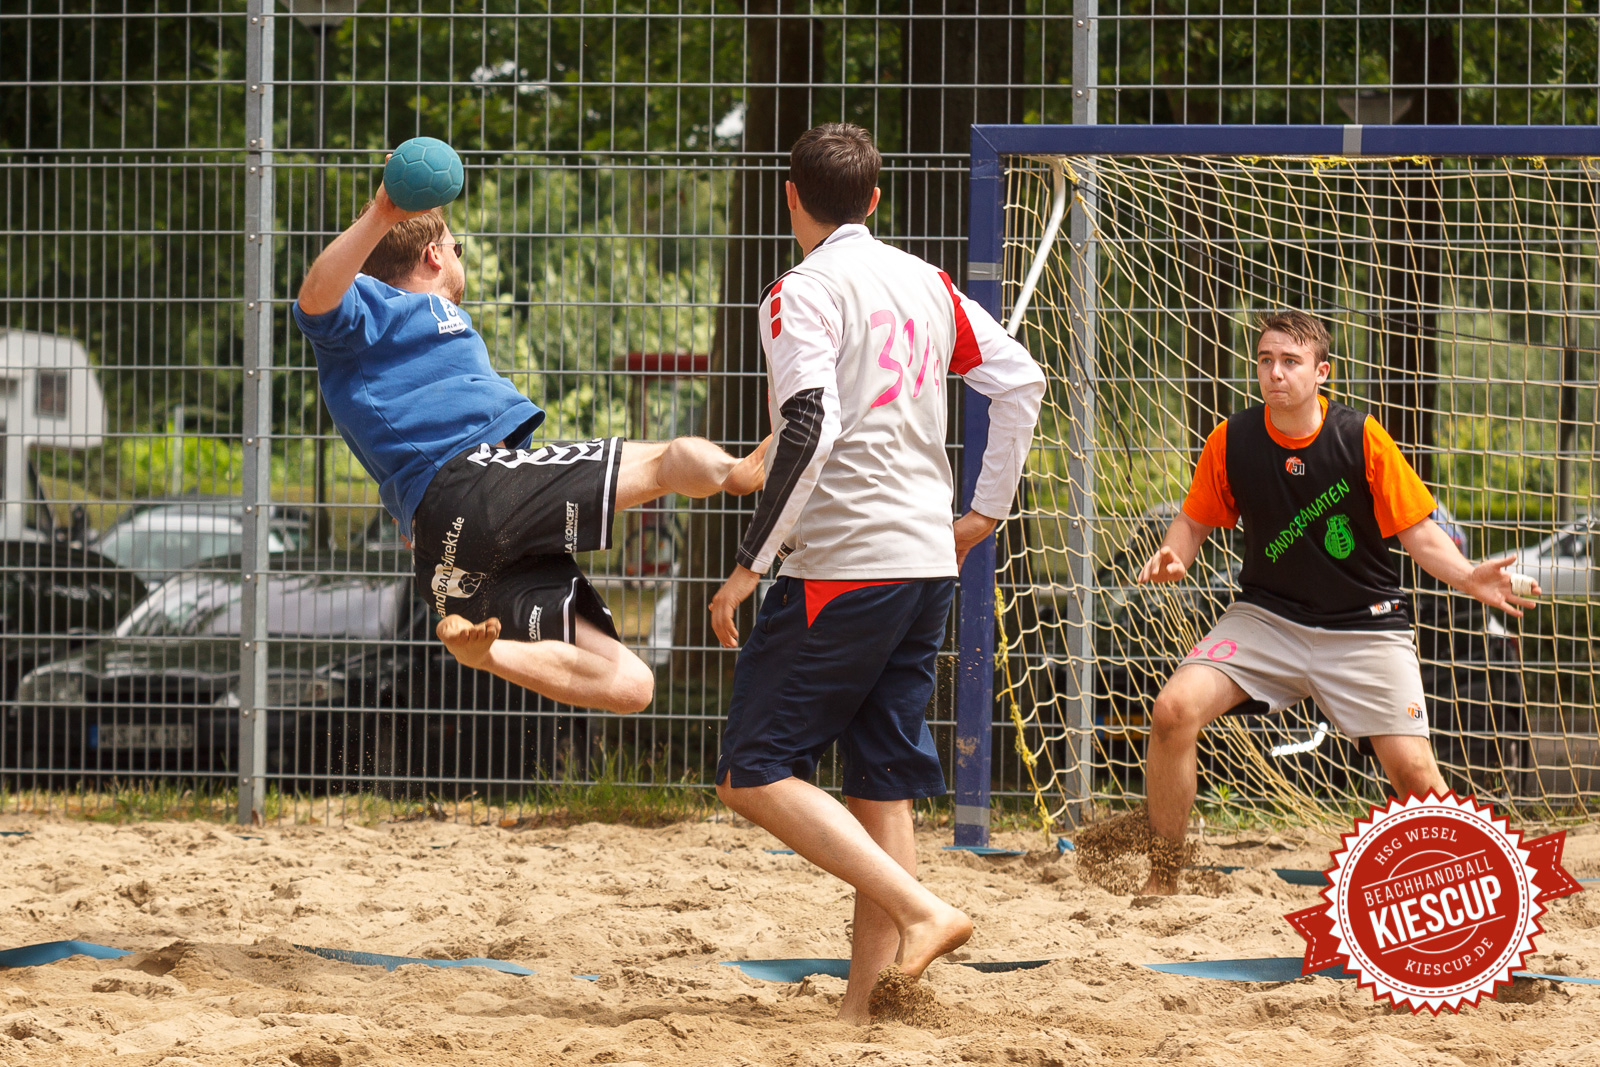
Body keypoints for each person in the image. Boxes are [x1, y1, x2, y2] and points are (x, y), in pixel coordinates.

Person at [707, 123, 1046, 1021]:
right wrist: (984, 513)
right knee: (881, 781)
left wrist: (749, 565)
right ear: (876, 198)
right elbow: (1022, 382)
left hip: (844, 565)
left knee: (750, 770)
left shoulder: (802, 291)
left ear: (790, 197)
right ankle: (868, 1008)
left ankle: (922, 907)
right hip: (927, 561)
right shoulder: (927, 281)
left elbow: (812, 424)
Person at [293, 181, 767, 713]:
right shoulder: (372, 306)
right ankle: (735, 473)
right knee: (665, 460)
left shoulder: (424, 329)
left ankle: (488, 653)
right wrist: (383, 213)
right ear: (433, 255)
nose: (458, 256)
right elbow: (314, 301)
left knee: (632, 686)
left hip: (444, 550)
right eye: (456, 247)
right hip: (477, 486)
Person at [1119, 309, 1539, 895]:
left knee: (1415, 774)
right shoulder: (1232, 439)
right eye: (1266, 360)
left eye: (1290, 361)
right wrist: (1175, 554)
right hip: (1268, 620)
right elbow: (1192, 522)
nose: (1275, 372)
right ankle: (1162, 881)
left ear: (1322, 372)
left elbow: (1419, 533)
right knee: (1172, 710)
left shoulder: (1360, 437)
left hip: (1364, 627)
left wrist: (1470, 577)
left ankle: (1491, 886)